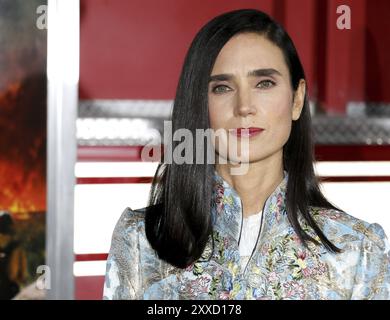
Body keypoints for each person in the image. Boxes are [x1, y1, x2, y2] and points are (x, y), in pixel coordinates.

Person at [103, 9, 390, 300]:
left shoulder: (357, 251)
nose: (244, 107)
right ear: (199, 104)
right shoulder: (140, 241)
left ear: (297, 99)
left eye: (264, 83)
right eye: (222, 87)